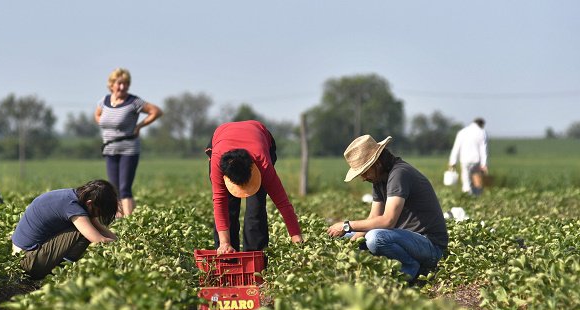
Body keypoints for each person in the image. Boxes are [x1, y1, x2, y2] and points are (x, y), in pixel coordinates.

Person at [327, 135, 448, 281]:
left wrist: (347, 225)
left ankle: (410, 268)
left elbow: (388, 221)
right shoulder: (378, 179)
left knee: (375, 238)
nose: (363, 178)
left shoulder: (399, 174)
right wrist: (350, 243)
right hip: (405, 240)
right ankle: (396, 266)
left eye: (364, 172)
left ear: (377, 163)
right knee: (341, 238)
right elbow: (373, 218)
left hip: (429, 246)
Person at [207, 120, 304, 255]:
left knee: (256, 207)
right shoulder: (217, 163)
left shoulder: (263, 164)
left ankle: (254, 256)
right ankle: (227, 256)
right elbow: (219, 201)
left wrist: (296, 236)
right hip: (221, 138)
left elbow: (282, 203)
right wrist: (224, 243)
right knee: (228, 206)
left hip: (260, 139)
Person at [11, 179, 119, 279]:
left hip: (22, 255)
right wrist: (121, 251)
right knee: (83, 233)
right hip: (28, 261)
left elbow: (99, 228)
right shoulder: (73, 207)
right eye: (99, 212)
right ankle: (59, 275)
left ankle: (56, 269)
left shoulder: (73, 196)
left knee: (87, 227)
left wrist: (119, 242)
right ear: (90, 203)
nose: (97, 216)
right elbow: (98, 240)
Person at [95, 67, 163, 216]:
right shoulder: (104, 101)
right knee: (114, 189)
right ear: (111, 84)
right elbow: (97, 114)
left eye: (125, 83)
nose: (122, 87)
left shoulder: (133, 102)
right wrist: (107, 126)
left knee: (125, 188)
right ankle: (119, 219)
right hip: (110, 149)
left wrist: (139, 126)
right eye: (119, 83)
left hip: (128, 149)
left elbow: (156, 111)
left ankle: (129, 221)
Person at [449, 118, 489, 195]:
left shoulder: (462, 132)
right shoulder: (482, 132)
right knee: (477, 181)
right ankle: (476, 196)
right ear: (481, 124)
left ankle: (467, 196)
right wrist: (484, 164)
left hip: (465, 160)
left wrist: (452, 161)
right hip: (477, 161)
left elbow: (456, 148)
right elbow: (483, 150)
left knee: (466, 180)